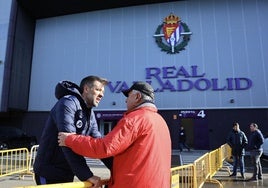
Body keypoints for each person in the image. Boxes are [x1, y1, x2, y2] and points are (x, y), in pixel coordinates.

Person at [58, 81, 172, 188]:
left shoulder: (134, 119)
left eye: (128, 96)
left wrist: (70, 140)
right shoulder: (160, 121)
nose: (126, 101)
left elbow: (104, 147)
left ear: (137, 97)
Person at [33, 76, 112, 188]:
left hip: (67, 172)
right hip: (49, 172)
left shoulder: (89, 113)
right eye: (98, 90)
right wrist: (87, 175)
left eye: (103, 92)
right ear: (86, 89)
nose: (102, 95)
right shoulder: (67, 103)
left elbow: (98, 143)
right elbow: (67, 143)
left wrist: (116, 169)